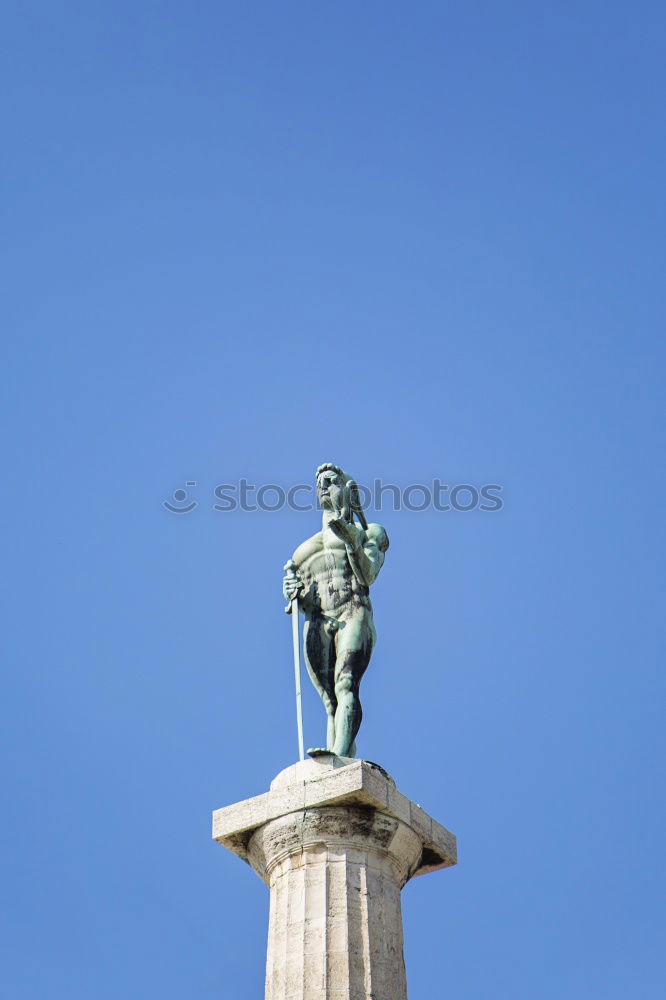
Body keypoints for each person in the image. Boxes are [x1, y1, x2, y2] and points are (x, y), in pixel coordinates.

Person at [283, 463, 389, 757]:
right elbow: (304, 600)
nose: (324, 486)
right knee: (330, 701)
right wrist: (293, 591)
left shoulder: (371, 533)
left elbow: (367, 575)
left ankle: (339, 754)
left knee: (346, 683)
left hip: (353, 612)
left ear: (348, 489)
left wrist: (352, 541)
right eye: (320, 483)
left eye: (331, 481)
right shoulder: (303, 551)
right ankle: (338, 754)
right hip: (318, 621)